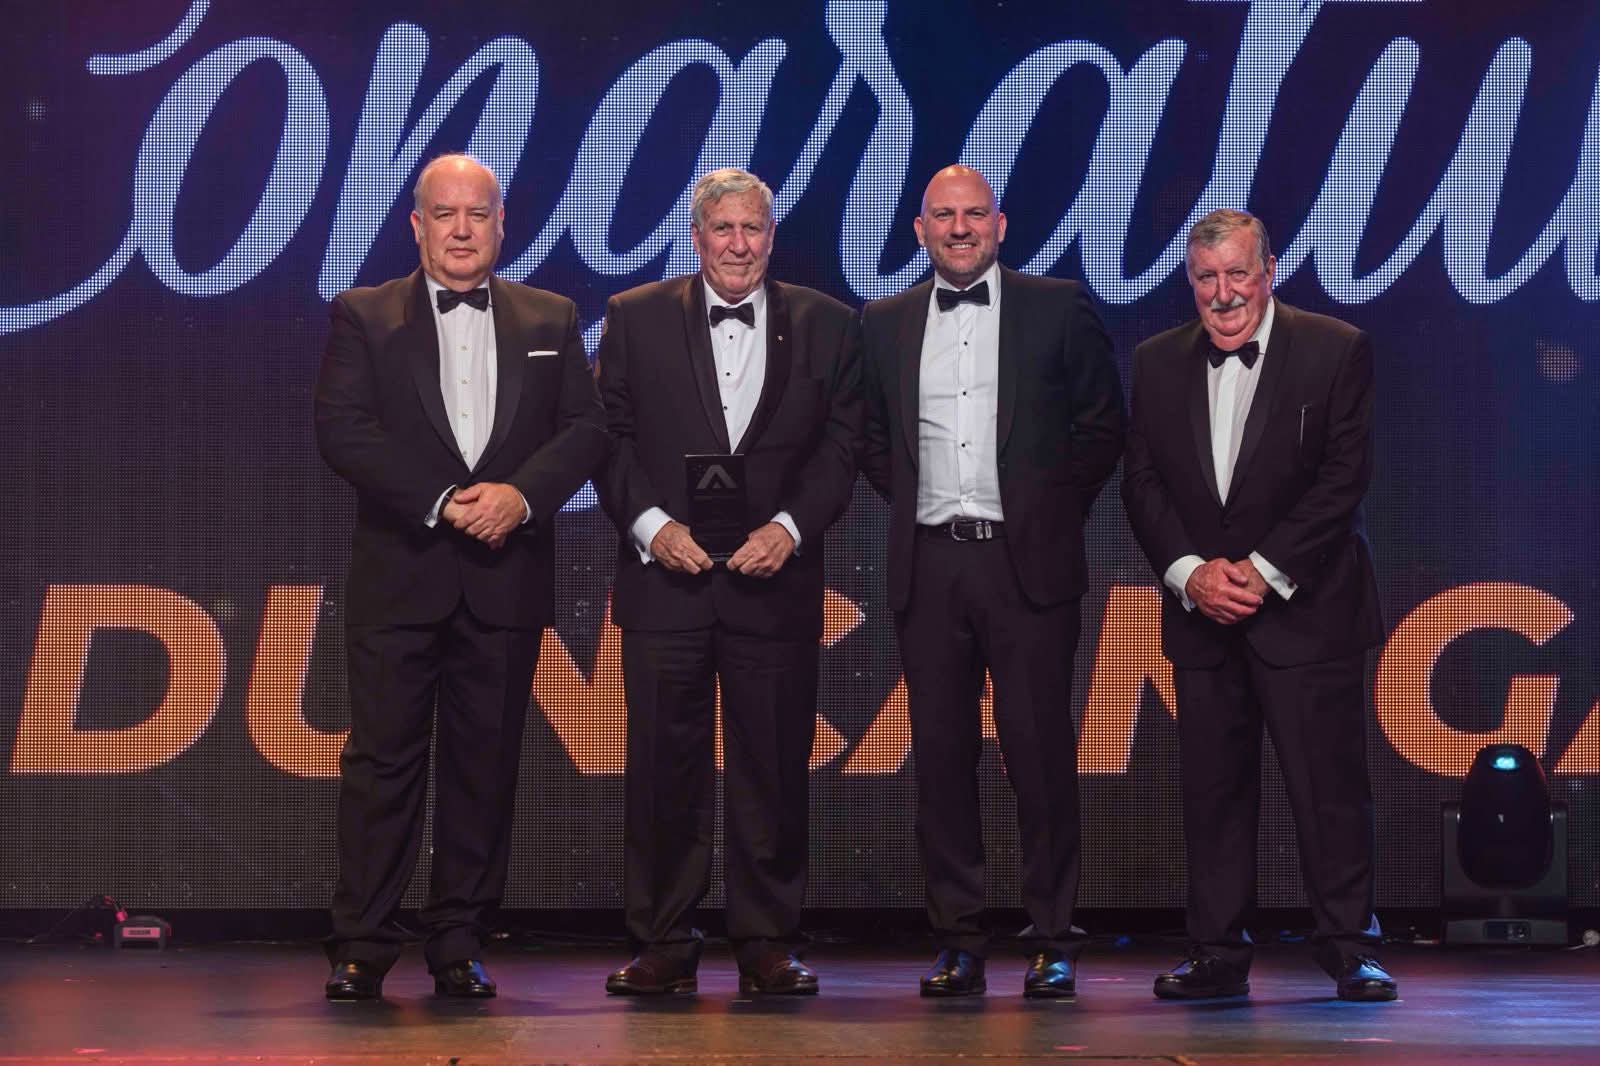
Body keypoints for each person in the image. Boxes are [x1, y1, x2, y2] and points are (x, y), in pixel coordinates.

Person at [314, 153, 607, 1001]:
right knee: (383, 766)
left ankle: (458, 942)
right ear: (417, 225)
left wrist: (521, 496)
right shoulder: (364, 314)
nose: (462, 229)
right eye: (444, 214)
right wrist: (444, 502)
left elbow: (586, 430)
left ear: (502, 224)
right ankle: (362, 945)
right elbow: (343, 430)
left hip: (504, 579)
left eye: (477, 213)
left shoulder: (551, 315)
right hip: (399, 580)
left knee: (484, 769)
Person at [857, 165, 1126, 998]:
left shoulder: (1058, 306)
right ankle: (959, 940)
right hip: (931, 561)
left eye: (974, 213)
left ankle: (1052, 937)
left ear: (1001, 225)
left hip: (1027, 563)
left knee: (1038, 754)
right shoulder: (884, 322)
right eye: (944, 215)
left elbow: (1102, 427)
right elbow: (872, 440)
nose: (960, 228)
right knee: (941, 758)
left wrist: (1045, 510)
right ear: (920, 230)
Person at [594, 167, 861, 996]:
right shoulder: (634, 316)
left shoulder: (827, 323)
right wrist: (653, 528)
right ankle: (663, 943)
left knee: (772, 768)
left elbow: (843, 446)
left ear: (771, 238)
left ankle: (766, 942)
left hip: (773, 582)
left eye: (753, 229)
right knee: (662, 770)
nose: (738, 245)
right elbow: (606, 438)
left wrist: (788, 530)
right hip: (665, 582)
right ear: (696, 236)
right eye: (723, 229)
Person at [1121, 208, 1395, 1002]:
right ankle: (1215, 952)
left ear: (1270, 271)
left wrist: (1263, 570)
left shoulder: (1336, 349)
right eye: (1206, 278)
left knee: (1329, 791)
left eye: (1238, 274)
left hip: (1309, 611)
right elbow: (1142, 482)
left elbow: (1343, 478)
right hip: (1203, 616)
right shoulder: (1156, 361)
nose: (1223, 293)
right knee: (1212, 795)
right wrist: (1189, 573)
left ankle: (1350, 947)